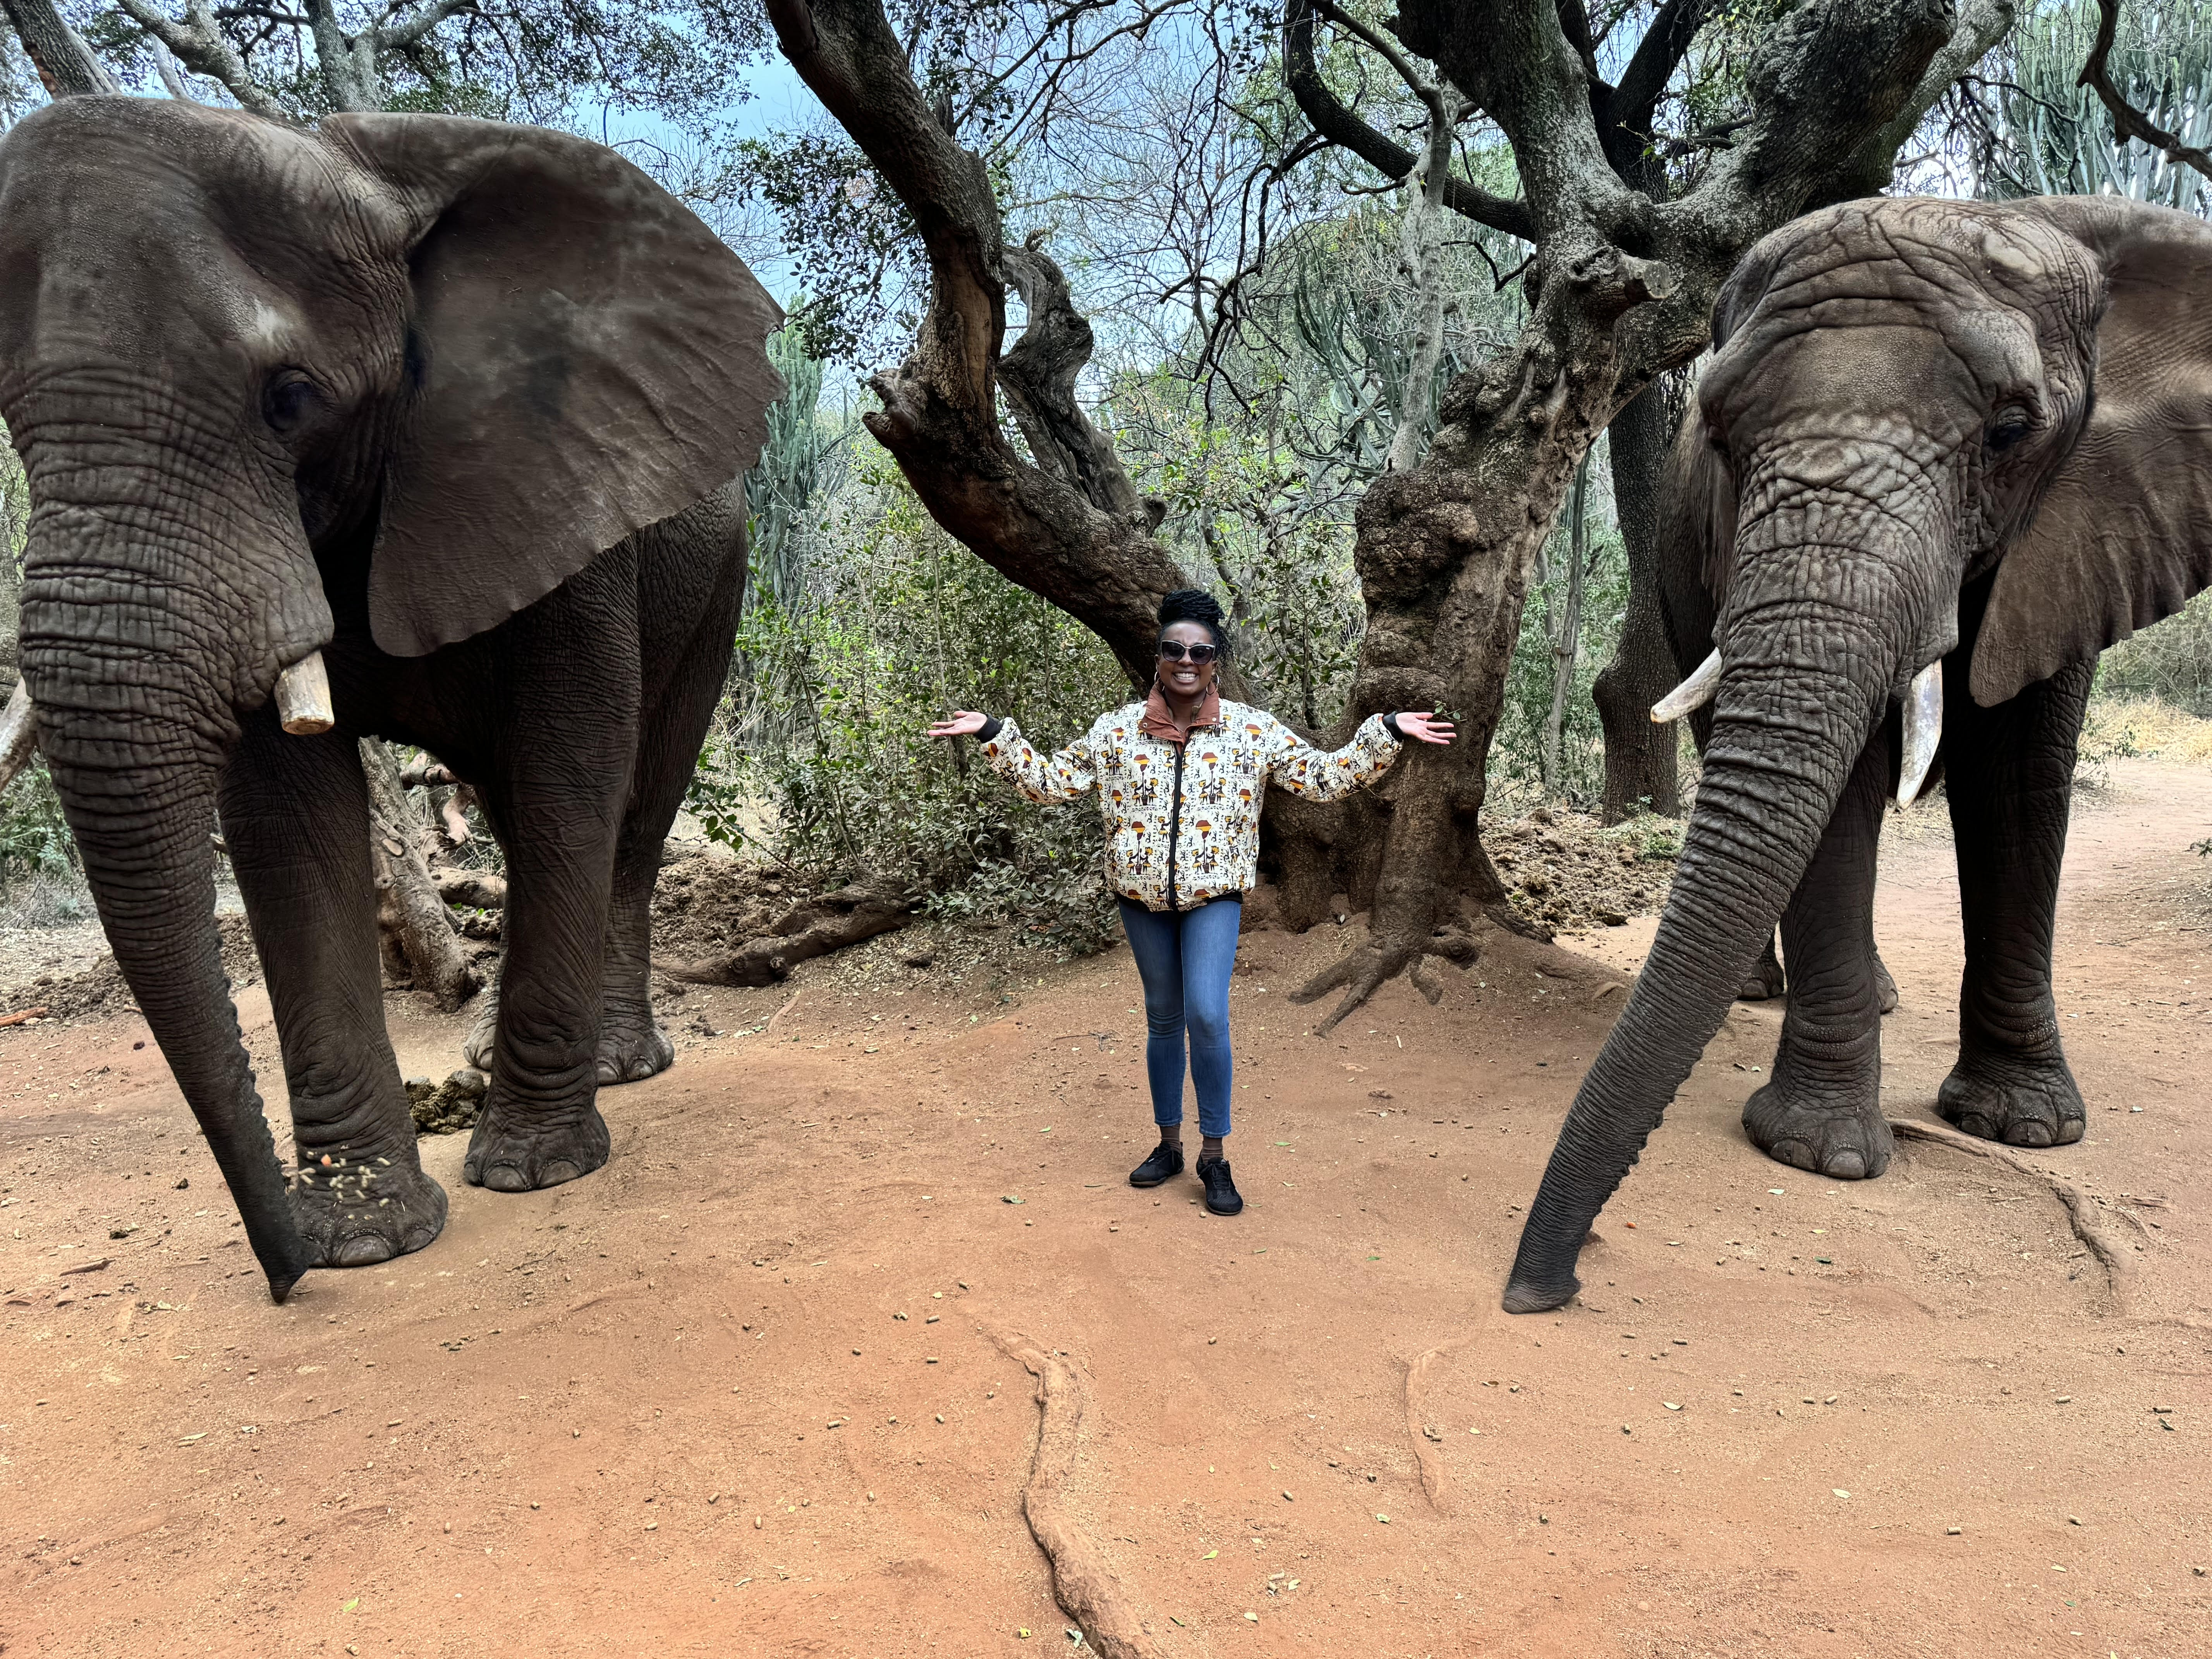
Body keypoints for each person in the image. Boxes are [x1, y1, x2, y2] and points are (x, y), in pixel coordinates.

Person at [927, 589, 1454, 1216]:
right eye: (1174, 649)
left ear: (1216, 662)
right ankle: (1168, 1144)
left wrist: (1386, 731)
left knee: (1205, 1013)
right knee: (1162, 1018)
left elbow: (1323, 778)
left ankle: (1214, 1155)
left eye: (1200, 651)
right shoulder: (1118, 730)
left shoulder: (1250, 731)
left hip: (1215, 896)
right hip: (1140, 897)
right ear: (1158, 658)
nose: (1186, 660)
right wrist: (993, 734)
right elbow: (1052, 784)